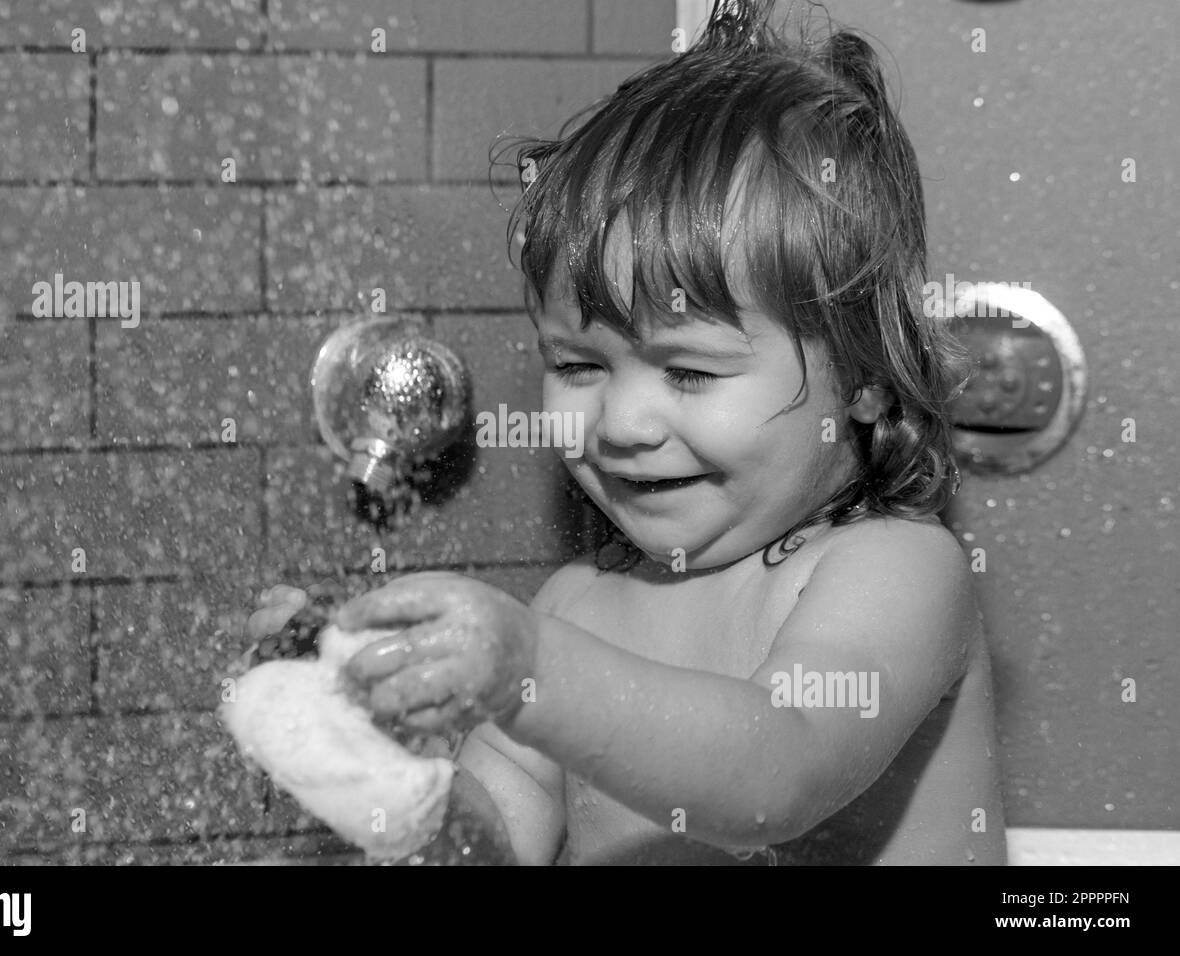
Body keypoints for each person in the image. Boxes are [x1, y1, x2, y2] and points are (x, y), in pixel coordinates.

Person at [248, 0, 1006, 865]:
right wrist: (369, 739)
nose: (621, 424)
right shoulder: (576, 610)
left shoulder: (895, 572)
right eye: (578, 367)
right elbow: (491, 846)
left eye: (688, 372)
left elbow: (778, 771)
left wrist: (528, 665)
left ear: (866, 375)